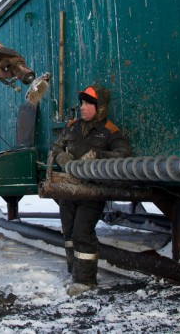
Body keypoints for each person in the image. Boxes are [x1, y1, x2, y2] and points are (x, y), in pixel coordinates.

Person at [51, 85, 131, 296]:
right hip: (69, 190)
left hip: (91, 192)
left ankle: (86, 280)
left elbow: (123, 156)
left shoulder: (110, 132)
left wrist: (98, 156)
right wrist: (61, 157)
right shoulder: (73, 127)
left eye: (88, 104)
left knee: (82, 233)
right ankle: (74, 272)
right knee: (68, 232)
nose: (83, 108)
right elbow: (57, 147)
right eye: (82, 103)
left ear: (100, 107)